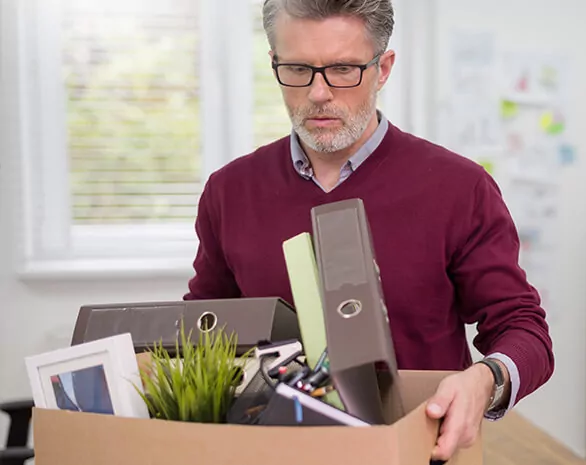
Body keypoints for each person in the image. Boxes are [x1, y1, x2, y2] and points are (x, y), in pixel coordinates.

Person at [184, 0, 554, 459]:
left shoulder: (460, 188)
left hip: (418, 449)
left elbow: (523, 328)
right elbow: (202, 331)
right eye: (298, 69)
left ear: (383, 69)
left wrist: (486, 380)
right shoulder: (229, 191)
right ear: (275, 63)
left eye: (343, 69)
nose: (319, 93)